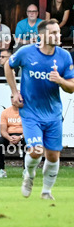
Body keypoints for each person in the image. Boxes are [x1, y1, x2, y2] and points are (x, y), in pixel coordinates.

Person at [5, 19, 74, 200]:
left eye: (58, 32)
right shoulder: (26, 52)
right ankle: (28, 175)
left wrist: (60, 81)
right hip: (30, 112)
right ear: (41, 36)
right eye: (52, 33)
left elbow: (71, 87)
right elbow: (8, 65)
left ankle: (46, 191)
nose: (57, 35)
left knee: (52, 156)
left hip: (53, 113)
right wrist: (14, 91)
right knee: (35, 150)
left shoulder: (64, 56)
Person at [0, 103, 24, 178]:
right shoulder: (5, 112)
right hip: (9, 135)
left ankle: (27, 171)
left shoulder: (28, 111)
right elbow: (3, 131)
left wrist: (20, 137)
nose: (14, 99)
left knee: (29, 143)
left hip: (23, 135)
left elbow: (30, 129)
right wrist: (9, 138)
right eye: (12, 97)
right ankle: (2, 170)